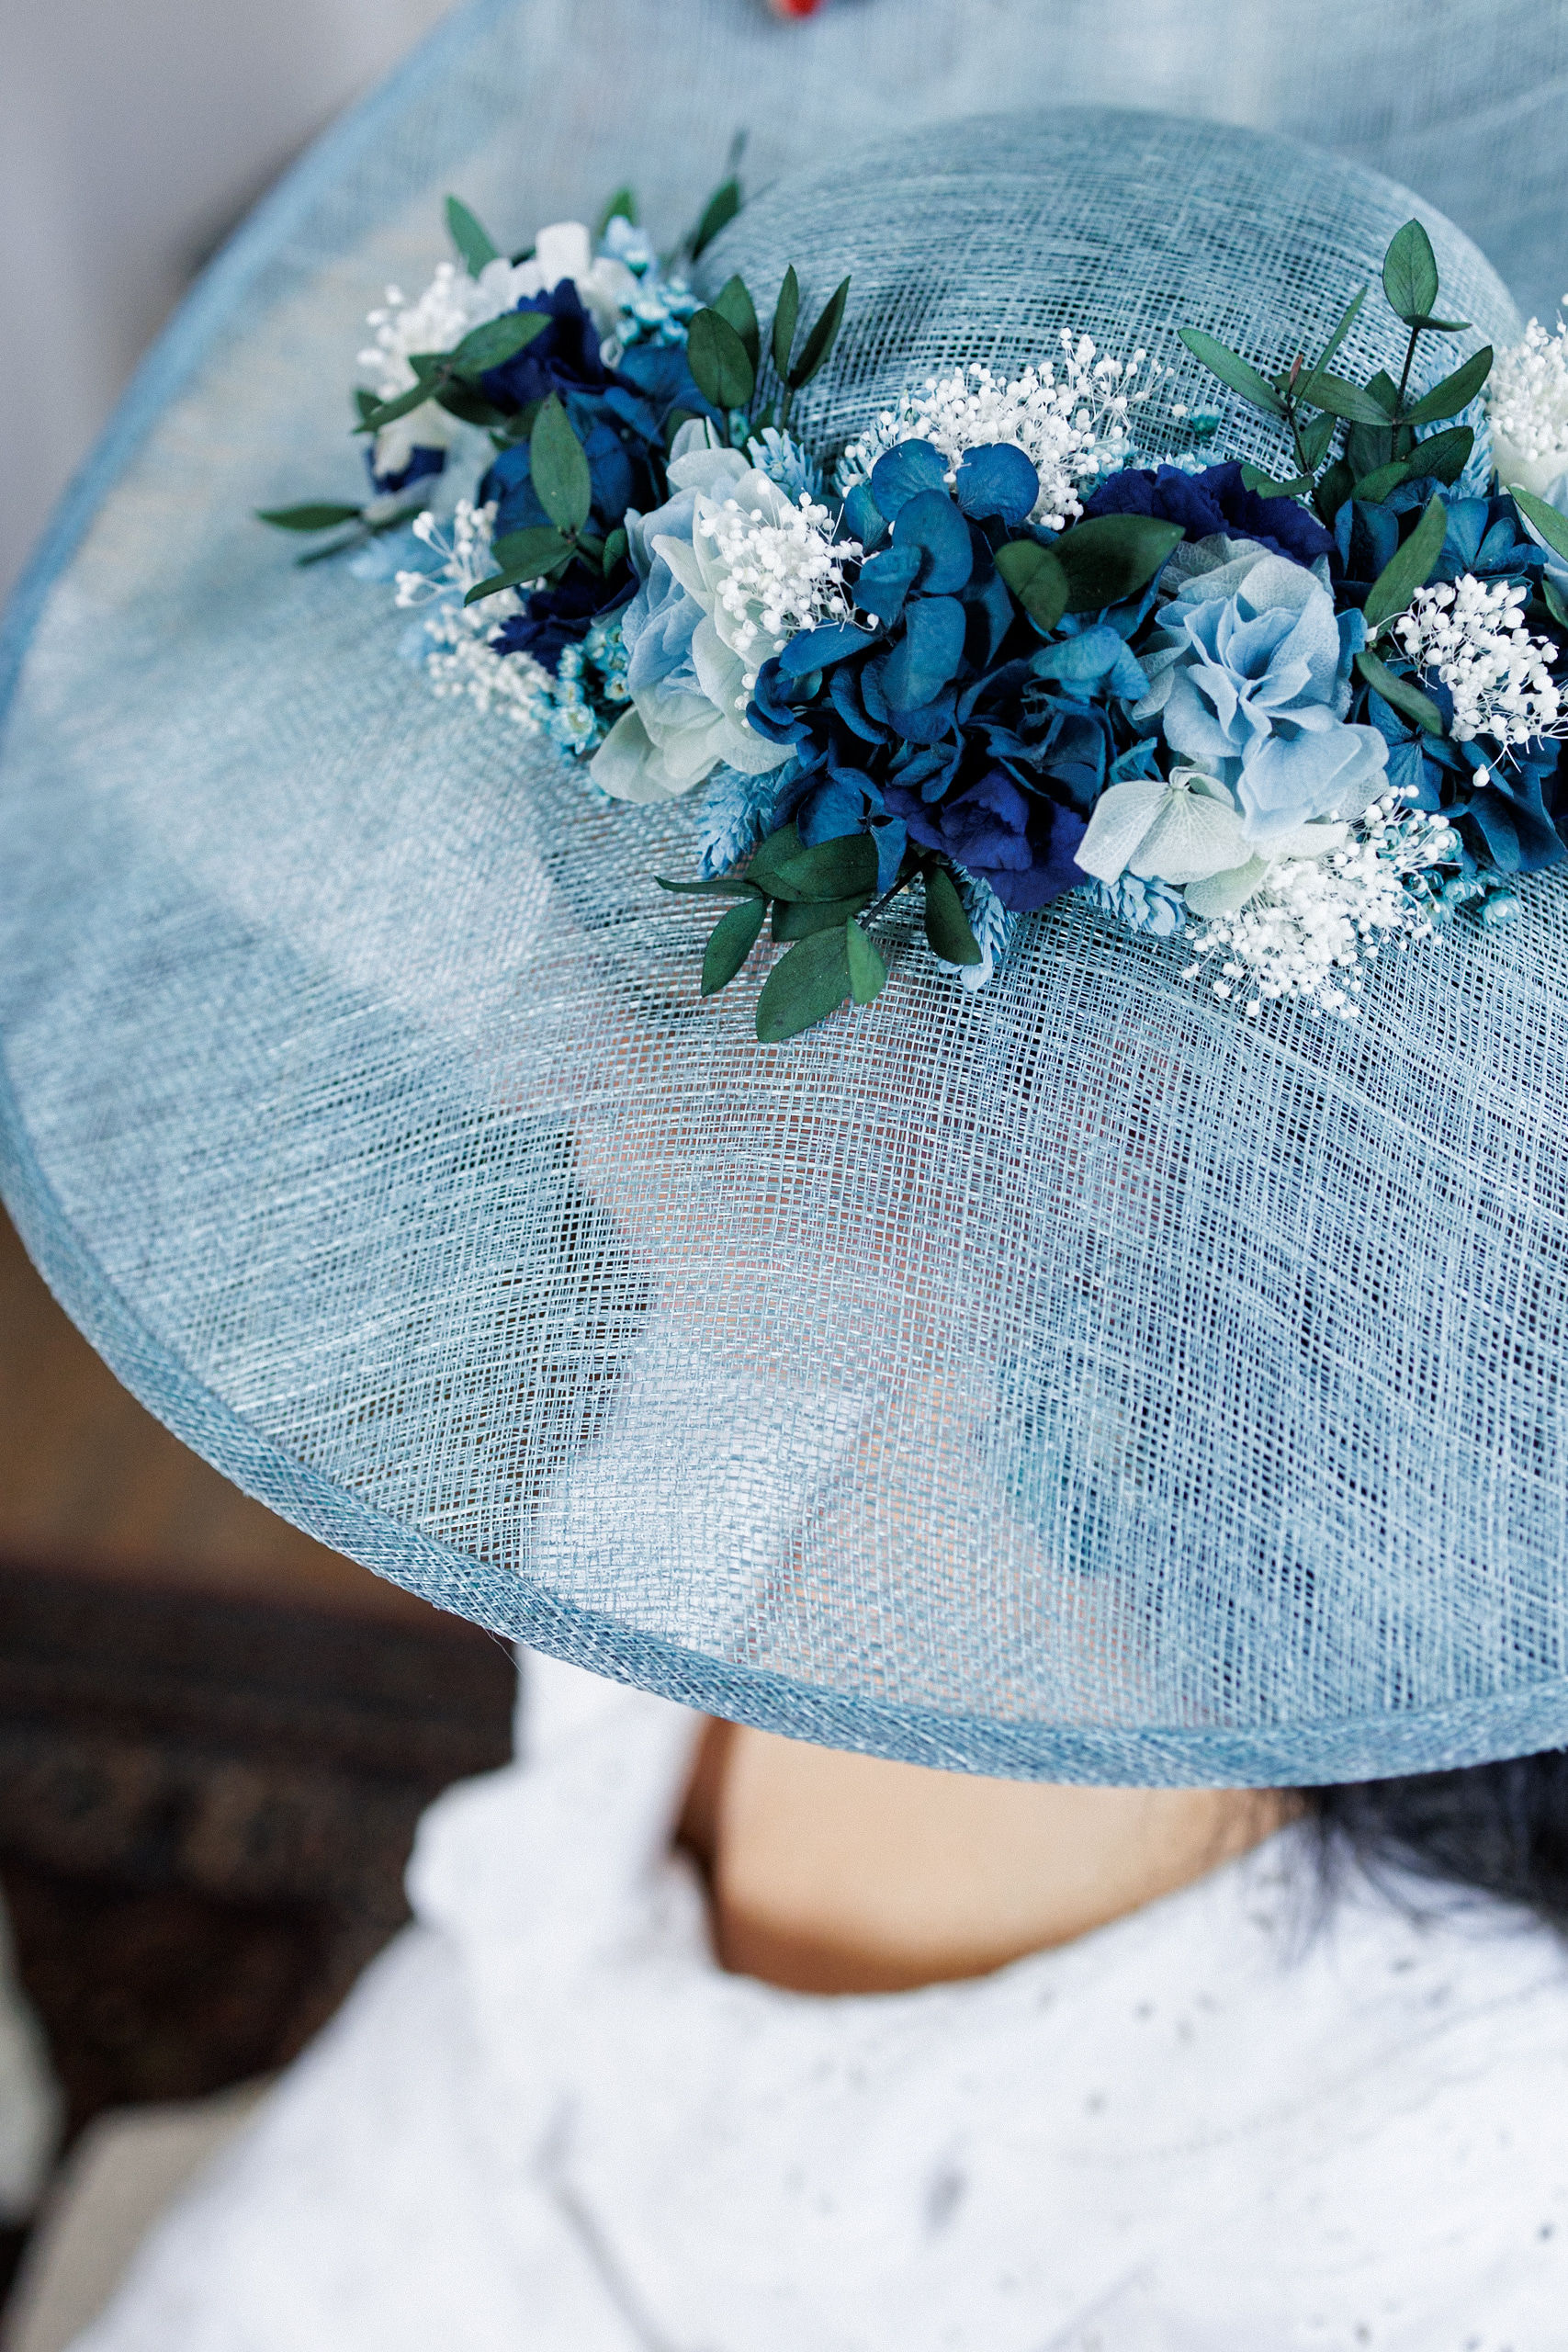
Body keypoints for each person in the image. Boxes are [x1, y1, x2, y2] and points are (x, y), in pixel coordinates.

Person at [6, 11, 1568, 2348]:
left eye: (657, 1007)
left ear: (1076, 1138)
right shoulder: (756, 1398)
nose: (547, 1065)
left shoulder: (1459, 2167)